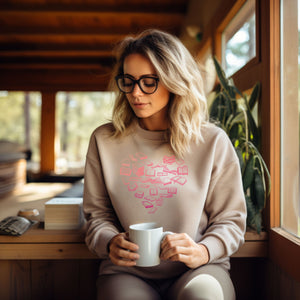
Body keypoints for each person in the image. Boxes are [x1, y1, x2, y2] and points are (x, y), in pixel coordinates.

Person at [83, 29, 247, 300]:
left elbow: (230, 220)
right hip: (127, 273)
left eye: (149, 81)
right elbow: (96, 216)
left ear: (174, 81)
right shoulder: (104, 140)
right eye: (128, 81)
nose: (135, 92)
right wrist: (109, 242)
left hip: (200, 269)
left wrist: (203, 251)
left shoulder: (213, 141)